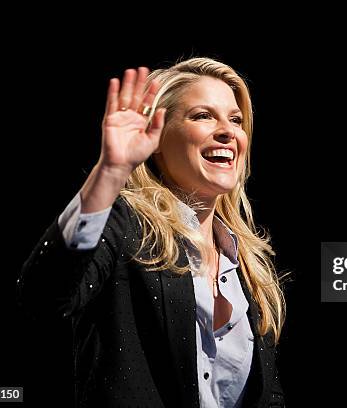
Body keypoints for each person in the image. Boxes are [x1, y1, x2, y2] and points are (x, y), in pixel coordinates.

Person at [18, 57, 287, 407]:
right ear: (156, 137)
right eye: (203, 116)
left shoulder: (250, 265)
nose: (228, 132)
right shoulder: (125, 226)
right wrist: (111, 171)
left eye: (235, 120)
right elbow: (44, 296)